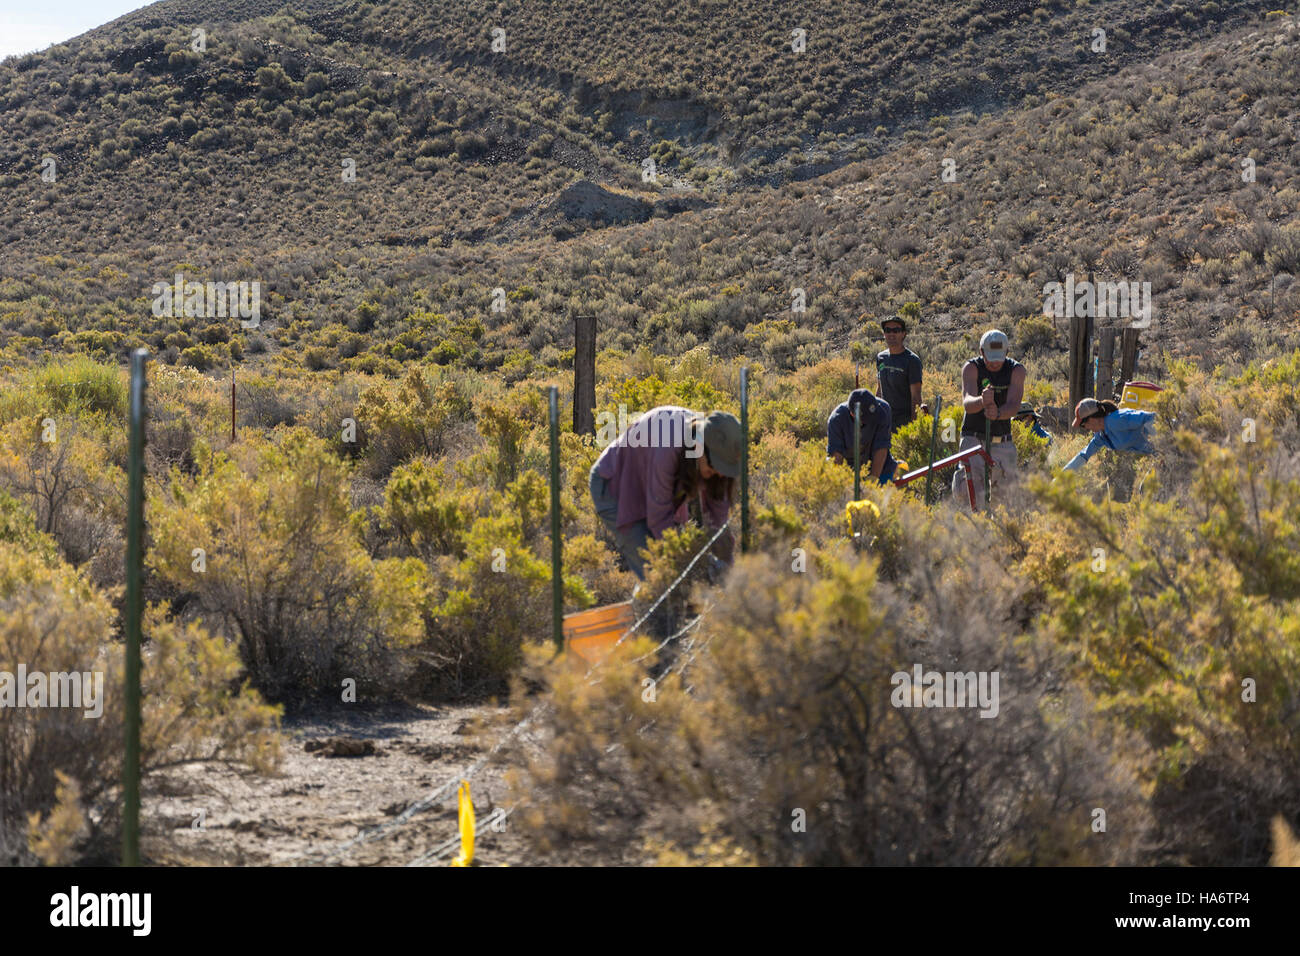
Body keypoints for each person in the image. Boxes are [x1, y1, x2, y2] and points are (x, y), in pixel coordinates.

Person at [589, 406, 740, 581]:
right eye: (716, 466)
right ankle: (654, 605)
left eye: (725, 468)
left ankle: (665, 604)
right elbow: (660, 520)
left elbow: (718, 522)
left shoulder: (711, 457)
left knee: (679, 574)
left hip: (656, 491)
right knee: (656, 571)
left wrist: (727, 569)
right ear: (700, 447)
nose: (720, 473)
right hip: (615, 486)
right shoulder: (669, 447)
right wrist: (689, 565)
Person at [952, 329, 1026, 509]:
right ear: (981, 352)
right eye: (990, 358)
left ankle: (1002, 533)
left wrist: (998, 413)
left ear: (1007, 352)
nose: (995, 363)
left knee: (1007, 497)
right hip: (973, 438)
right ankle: (975, 531)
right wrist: (982, 401)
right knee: (971, 494)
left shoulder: (1016, 370)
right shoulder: (971, 368)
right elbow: (968, 403)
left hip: (1002, 440)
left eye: (999, 358)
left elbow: (1014, 405)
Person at [827, 388, 898, 486]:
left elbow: (881, 447)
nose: (872, 421)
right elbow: (837, 457)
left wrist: (873, 479)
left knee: (882, 497)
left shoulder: (884, 410)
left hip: (880, 467)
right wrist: (840, 485)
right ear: (852, 414)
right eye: (867, 419)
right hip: (849, 468)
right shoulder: (837, 420)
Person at [1060, 398, 1154, 472]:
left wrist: (1162, 442)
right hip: (1159, 455)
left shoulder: (1115, 420)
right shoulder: (1102, 435)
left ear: (1092, 419)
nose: (1086, 429)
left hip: (1165, 447)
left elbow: (1150, 418)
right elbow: (1084, 455)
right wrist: (1059, 480)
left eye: (1083, 425)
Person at [876, 315, 927, 431]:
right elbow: (880, 389)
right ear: (884, 334)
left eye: (896, 330)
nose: (891, 334)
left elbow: (916, 396)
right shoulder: (881, 358)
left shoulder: (912, 360)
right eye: (887, 330)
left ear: (903, 334)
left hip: (904, 423)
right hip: (885, 421)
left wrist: (914, 428)